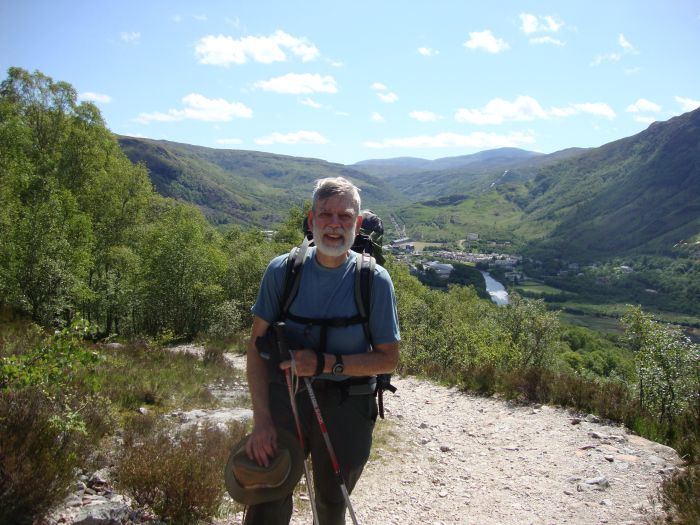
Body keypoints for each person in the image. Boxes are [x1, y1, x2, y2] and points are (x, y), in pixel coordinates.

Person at [244, 177, 401, 525]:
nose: (334, 224)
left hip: (349, 404)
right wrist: (262, 421)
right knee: (266, 498)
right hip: (286, 398)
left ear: (357, 224)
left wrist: (325, 363)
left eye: (344, 216)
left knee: (332, 504)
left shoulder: (374, 280)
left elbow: (388, 357)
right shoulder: (282, 271)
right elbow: (255, 349)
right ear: (311, 218)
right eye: (325, 214)